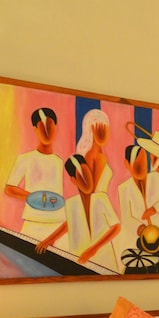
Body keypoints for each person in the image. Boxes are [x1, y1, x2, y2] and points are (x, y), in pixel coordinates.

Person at [36, 154, 121, 272]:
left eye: (87, 174)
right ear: (73, 180)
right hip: (79, 257)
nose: (87, 181)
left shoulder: (101, 198)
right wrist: (49, 239)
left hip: (104, 258)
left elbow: (116, 227)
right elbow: (69, 224)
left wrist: (93, 249)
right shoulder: (71, 204)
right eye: (81, 177)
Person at [3, 107, 67, 244]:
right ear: (35, 129)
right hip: (33, 222)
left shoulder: (59, 162)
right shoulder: (25, 159)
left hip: (57, 222)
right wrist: (34, 197)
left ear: (55, 127)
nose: (47, 131)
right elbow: (9, 188)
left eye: (50, 125)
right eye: (42, 127)